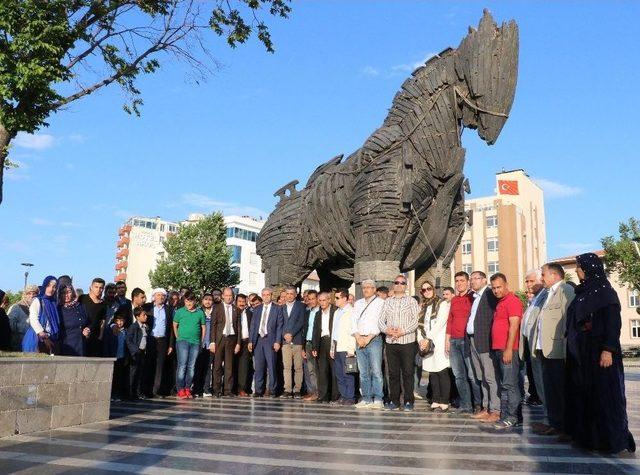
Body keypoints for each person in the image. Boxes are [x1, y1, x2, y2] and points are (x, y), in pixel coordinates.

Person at [564, 253, 636, 453]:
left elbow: (613, 324)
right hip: (584, 353)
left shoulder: (605, 293)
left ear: (589, 269)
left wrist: (608, 350)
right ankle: (589, 439)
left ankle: (610, 441)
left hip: (600, 353)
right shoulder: (583, 292)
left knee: (604, 397)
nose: (577, 270)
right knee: (586, 395)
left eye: (579, 267)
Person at [528, 263, 575, 436]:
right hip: (544, 349)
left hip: (557, 351)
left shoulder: (565, 291)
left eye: (544, 274)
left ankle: (566, 427)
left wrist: (566, 351)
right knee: (550, 391)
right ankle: (554, 424)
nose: (541, 278)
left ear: (555, 275)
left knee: (559, 391)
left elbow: (568, 322)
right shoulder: (548, 293)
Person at [378, 274, 419, 411]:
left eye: (402, 283)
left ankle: (408, 401)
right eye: (397, 282)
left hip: (407, 341)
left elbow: (415, 321)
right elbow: (380, 321)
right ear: (393, 285)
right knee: (393, 373)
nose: (399, 285)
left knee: (407, 373)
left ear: (406, 286)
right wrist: (387, 330)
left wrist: (402, 331)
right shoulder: (387, 302)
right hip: (391, 341)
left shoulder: (412, 301)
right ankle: (394, 401)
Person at [489, 273, 524, 430]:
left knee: (510, 384)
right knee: (505, 384)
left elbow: (514, 326)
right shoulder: (499, 303)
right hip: (498, 349)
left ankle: (512, 417)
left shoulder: (513, 301)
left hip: (508, 349)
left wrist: (509, 349)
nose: (496, 290)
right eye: (494, 288)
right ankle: (511, 416)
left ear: (506, 285)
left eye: (499, 287)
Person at [466, 271, 500, 423]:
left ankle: (495, 410)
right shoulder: (475, 297)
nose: (472, 281)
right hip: (473, 340)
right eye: (471, 279)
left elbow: (494, 317)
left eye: (476, 278)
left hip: (485, 342)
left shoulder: (489, 294)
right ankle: (486, 408)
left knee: (490, 377)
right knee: (481, 377)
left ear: (484, 280)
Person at [445, 272, 481, 414]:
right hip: (454, 340)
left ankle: (478, 404)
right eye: (457, 281)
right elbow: (450, 320)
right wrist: (447, 340)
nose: (459, 283)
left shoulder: (473, 297)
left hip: (467, 340)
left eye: (462, 280)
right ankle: (465, 404)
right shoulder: (454, 300)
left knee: (472, 374)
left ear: (468, 282)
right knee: (459, 375)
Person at [418, 280, 451, 412]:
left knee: (442, 371)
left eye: (429, 288)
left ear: (433, 289)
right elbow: (419, 325)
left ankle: (444, 400)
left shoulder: (442, 303)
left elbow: (441, 322)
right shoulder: (423, 306)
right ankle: (435, 399)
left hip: (438, 340)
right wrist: (421, 340)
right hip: (426, 343)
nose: (427, 291)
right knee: (432, 372)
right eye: (424, 290)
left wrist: (428, 338)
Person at [352, 280, 385, 409]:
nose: (366, 290)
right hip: (359, 339)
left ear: (374, 289)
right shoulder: (358, 303)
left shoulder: (380, 303)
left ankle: (378, 398)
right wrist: (358, 337)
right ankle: (366, 398)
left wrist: (369, 338)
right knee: (363, 372)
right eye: (364, 287)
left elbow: (380, 323)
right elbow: (353, 321)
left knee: (376, 371)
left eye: (369, 287)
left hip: (374, 340)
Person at [249, 287, 283, 398]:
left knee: (272, 366)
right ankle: (258, 390)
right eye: (264, 295)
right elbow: (253, 326)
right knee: (259, 367)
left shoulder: (277, 308)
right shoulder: (257, 309)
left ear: (271, 295)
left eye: (268, 295)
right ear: (262, 296)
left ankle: (272, 390)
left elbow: (279, 326)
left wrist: (278, 341)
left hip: (270, 340)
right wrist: (251, 341)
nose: (266, 297)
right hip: (258, 340)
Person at [519, 269, 545, 407]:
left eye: (531, 281)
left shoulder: (545, 296)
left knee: (542, 380)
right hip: (530, 344)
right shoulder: (534, 299)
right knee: (536, 377)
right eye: (527, 281)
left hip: (540, 346)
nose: (528, 284)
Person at [174, 291, 206, 399]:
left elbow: (203, 328)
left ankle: (188, 388)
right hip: (182, 341)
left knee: (191, 366)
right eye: (187, 300)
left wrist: (201, 341)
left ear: (195, 301)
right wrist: (178, 337)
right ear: (184, 301)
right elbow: (175, 325)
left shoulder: (200, 312)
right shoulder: (179, 312)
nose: (189, 303)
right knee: (182, 365)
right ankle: (180, 389)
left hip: (195, 342)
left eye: (191, 300)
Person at [211, 287, 240, 397]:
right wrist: (212, 342)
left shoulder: (236, 309)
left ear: (233, 297)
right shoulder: (217, 307)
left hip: (231, 339)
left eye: (230, 296)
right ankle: (216, 390)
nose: (228, 298)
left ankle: (228, 390)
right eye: (226, 295)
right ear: (223, 296)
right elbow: (213, 325)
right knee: (217, 366)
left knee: (229, 366)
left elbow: (238, 327)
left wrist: (238, 343)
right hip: (220, 339)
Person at [146, 288, 174, 397]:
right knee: (149, 365)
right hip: (150, 339)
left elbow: (171, 328)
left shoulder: (168, 309)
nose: (161, 297)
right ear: (154, 296)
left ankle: (156, 390)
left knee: (160, 366)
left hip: (163, 340)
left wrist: (171, 344)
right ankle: (146, 390)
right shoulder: (148, 307)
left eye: (163, 296)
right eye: (158, 295)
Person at [312, 292, 339, 404]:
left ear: (329, 300)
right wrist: (314, 347)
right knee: (322, 370)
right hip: (322, 343)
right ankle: (323, 396)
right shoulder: (318, 314)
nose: (322, 303)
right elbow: (315, 331)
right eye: (320, 300)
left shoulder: (335, 312)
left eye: (324, 300)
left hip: (333, 342)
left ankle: (335, 396)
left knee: (334, 370)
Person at [22, 276, 61, 354]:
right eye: (48, 286)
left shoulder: (53, 302)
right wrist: (43, 335)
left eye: (54, 287)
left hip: (50, 337)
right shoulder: (38, 300)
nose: (51, 289)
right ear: (44, 286)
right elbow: (33, 319)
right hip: (37, 337)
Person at [331, 289, 357, 405]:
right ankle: (343, 395)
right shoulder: (337, 312)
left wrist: (351, 349)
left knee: (348, 373)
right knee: (339, 374)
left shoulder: (352, 312)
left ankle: (350, 397)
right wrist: (332, 347)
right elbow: (334, 331)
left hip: (346, 346)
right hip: (337, 345)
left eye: (337, 298)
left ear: (345, 298)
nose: (335, 300)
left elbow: (353, 331)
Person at [281, 285, 306, 398]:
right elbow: (279, 324)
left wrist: (291, 334)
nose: (289, 296)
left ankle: (297, 390)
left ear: (295, 295)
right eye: (288, 294)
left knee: (298, 367)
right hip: (285, 341)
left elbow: (301, 322)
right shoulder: (280, 308)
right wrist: (284, 335)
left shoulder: (301, 306)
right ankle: (287, 389)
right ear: (285, 295)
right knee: (286, 367)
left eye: (292, 294)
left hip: (297, 341)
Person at [58, 283, 91, 356]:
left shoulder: (81, 306)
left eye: (69, 292)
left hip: (82, 346)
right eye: (63, 293)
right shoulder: (58, 309)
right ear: (60, 294)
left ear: (73, 292)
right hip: (67, 347)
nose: (66, 295)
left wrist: (88, 329)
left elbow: (89, 322)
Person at [126, 307, 152, 400]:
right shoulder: (133, 327)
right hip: (136, 353)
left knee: (141, 374)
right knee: (133, 374)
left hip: (143, 352)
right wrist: (135, 350)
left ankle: (139, 392)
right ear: (137, 317)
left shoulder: (145, 327)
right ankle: (131, 393)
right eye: (143, 315)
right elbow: (128, 340)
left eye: (146, 315)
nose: (146, 317)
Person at [193, 293, 215, 397]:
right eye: (206, 299)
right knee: (198, 367)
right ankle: (197, 389)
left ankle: (206, 389)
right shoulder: (197, 311)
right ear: (202, 301)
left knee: (208, 367)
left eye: (210, 299)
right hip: (199, 343)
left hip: (211, 344)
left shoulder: (215, 312)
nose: (208, 301)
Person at [78, 278, 106, 356]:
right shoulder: (82, 298)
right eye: (96, 287)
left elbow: (102, 321)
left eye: (101, 288)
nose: (98, 289)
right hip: (82, 335)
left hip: (96, 338)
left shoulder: (103, 304)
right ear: (91, 287)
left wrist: (100, 336)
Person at [105, 312, 128, 400]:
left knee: (119, 377)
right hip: (112, 356)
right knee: (112, 377)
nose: (119, 323)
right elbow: (107, 344)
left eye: (121, 321)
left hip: (121, 357)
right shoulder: (110, 331)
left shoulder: (125, 331)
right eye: (117, 321)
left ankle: (117, 394)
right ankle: (111, 394)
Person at [301, 290, 320, 401]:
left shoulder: (321, 312)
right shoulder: (308, 312)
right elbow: (305, 330)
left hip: (316, 344)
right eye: (310, 299)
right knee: (310, 370)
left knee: (318, 370)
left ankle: (319, 393)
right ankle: (313, 392)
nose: (311, 301)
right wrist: (303, 347)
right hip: (307, 343)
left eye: (313, 298)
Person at [8, 285, 38, 351]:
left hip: (34, 342)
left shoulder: (38, 308)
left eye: (34, 293)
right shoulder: (17, 307)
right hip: (20, 342)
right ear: (25, 294)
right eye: (29, 293)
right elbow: (11, 325)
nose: (32, 296)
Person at [236, 293, 254, 397]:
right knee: (232, 366)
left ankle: (242, 389)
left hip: (246, 341)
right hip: (234, 342)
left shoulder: (249, 313)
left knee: (244, 366)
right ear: (236, 302)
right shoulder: (233, 312)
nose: (242, 304)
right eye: (240, 301)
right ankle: (231, 388)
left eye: (244, 301)